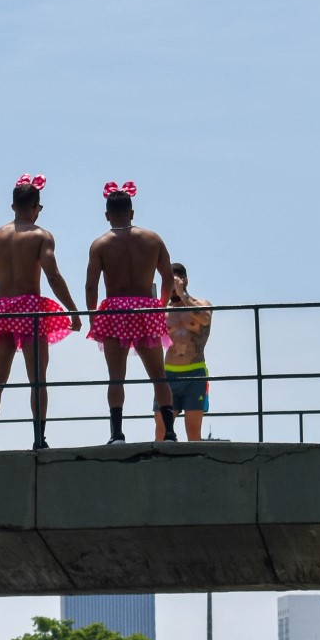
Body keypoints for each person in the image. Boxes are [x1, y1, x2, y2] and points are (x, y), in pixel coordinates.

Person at [0, 173, 83, 451]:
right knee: (37, 380)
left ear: (13, 206)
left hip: (2, 309)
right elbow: (53, 276)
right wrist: (73, 311)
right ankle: (39, 440)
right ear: (36, 207)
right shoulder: (42, 236)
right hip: (30, 309)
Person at [85, 180, 177, 444]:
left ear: (107, 215)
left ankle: (117, 434)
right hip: (145, 309)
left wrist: (93, 318)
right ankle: (169, 432)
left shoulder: (100, 245)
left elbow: (91, 286)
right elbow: (168, 277)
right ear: (132, 213)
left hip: (114, 310)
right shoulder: (152, 239)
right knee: (158, 375)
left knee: (116, 377)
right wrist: (159, 305)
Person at [154, 262, 212, 441]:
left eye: (174, 280)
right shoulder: (162, 311)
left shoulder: (202, 304)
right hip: (169, 373)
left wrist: (182, 294)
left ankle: (196, 467)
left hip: (194, 372)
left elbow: (204, 318)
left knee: (193, 430)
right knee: (161, 429)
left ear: (184, 280)